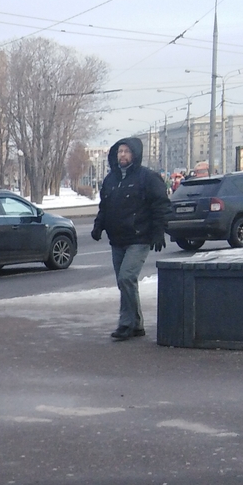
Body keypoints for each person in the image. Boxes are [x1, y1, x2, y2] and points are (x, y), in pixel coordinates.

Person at [90, 135, 170, 341]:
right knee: (124, 282)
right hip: (117, 239)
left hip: (139, 238)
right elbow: (104, 207)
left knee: (127, 277)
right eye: (119, 151)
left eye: (126, 151)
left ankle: (126, 323)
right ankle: (136, 325)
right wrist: (98, 226)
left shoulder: (147, 178)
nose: (122, 155)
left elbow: (160, 205)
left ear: (135, 154)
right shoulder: (111, 180)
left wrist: (159, 231)